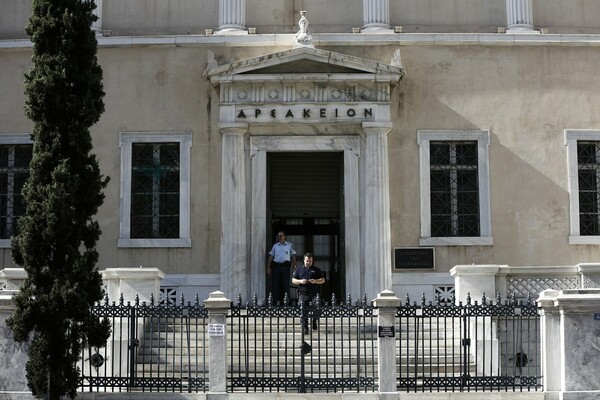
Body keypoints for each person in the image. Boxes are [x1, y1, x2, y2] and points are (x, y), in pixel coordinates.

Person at [292, 253, 326, 334]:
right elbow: (293, 280)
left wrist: (315, 281)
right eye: (307, 261)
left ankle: (314, 320)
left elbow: (323, 280)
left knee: (318, 305)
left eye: (310, 261)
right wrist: (301, 281)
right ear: (304, 260)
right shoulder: (299, 269)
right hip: (303, 293)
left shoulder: (316, 269)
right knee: (302, 306)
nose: (308, 263)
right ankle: (305, 326)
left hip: (314, 293)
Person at [267, 231, 297, 304]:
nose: (279, 237)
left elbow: (293, 256)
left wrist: (294, 267)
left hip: (285, 267)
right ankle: (276, 301)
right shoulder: (275, 246)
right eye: (278, 236)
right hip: (276, 267)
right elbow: (271, 257)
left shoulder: (290, 245)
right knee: (276, 284)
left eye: (281, 235)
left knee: (286, 284)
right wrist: (268, 267)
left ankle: (287, 302)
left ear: (285, 236)